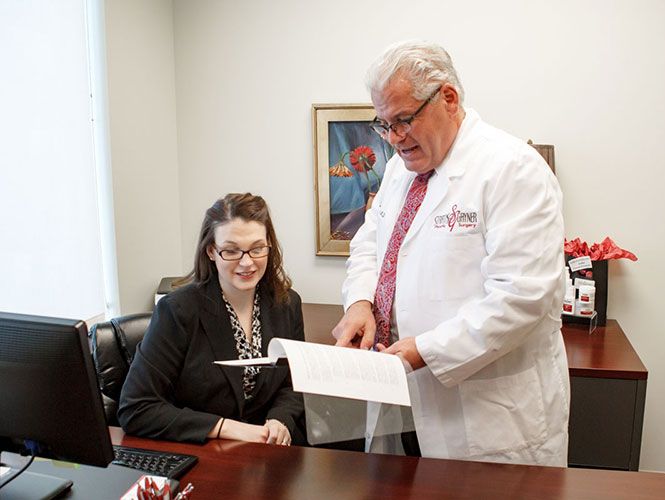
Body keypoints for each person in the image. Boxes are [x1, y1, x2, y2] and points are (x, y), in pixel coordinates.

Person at [333, 40, 570, 466]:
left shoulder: (512, 168)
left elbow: (521, 297)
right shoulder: (396, 171)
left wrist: (424, 350)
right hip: (400, 401)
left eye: (403, 120)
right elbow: (369, 242)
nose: (394, 138)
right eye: (383, 125)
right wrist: (360, 303)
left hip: (484, 415)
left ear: (448, 98)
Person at [119, 193, 305, 446]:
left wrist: (279, 420)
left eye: (257, 248)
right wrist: (225, 428)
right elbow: (137, 408)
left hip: (269, 450)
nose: (247, 262)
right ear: (211, 251)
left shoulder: (287, 303)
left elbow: (292, 383)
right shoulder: (178, 311)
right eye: (231, 251)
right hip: (205, 451)